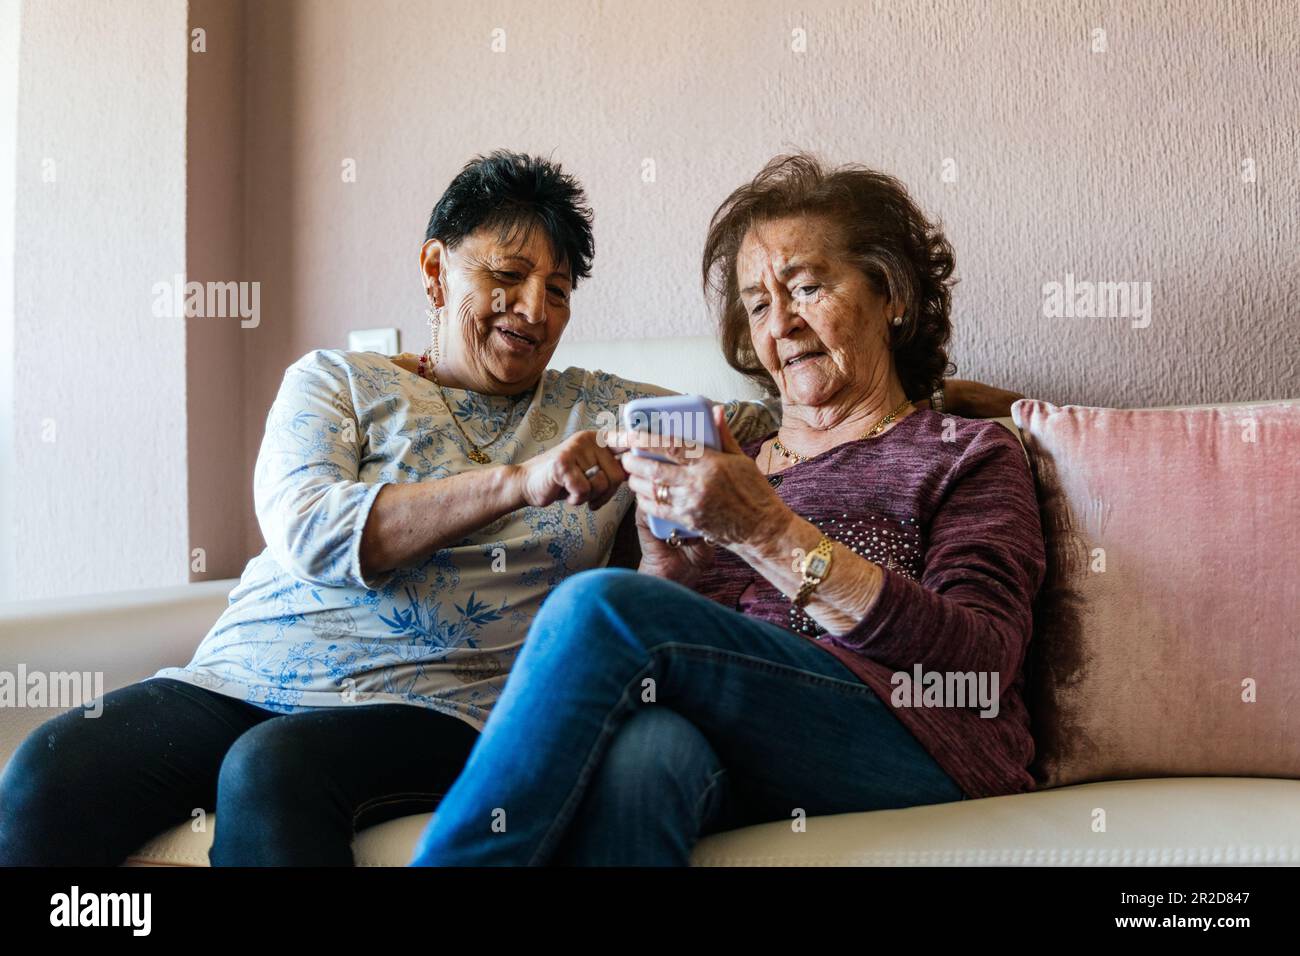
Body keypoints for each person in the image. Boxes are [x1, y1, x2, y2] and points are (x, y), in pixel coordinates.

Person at [0, 151, 1016, 866]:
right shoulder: (338, 380)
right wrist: (643, 533)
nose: (535, 305)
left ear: (889, 292)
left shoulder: (942, 452)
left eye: (559, 285)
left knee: (580, 621)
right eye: (758, 302)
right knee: (50, 765)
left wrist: (999, 409)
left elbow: (969, 658)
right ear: (436, 268)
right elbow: (313, 530)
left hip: (454, 701)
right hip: (260, 667)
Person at [409, 154, 1047, 866]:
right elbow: (688, 656)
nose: (783, 324)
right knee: (647, 759)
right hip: (761, 744)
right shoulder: (734, 456)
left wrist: (766, 532)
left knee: (594, 607)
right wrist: (668, 573)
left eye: (806, 287)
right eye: (759, 304)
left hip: (925, 740)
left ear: (891, 294)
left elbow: (983, 664)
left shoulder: (965, 452)